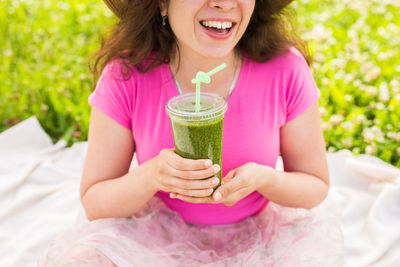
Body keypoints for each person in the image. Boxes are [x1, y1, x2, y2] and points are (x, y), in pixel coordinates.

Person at [39, 0, 343, 266]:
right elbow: (95, 202)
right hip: (155, 237)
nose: (224, 3)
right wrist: (153, 175)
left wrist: (265, 179)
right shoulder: (127, 76)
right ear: (161, 3)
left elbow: (314, 185)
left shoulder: (284, 69)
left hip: (260, 237)